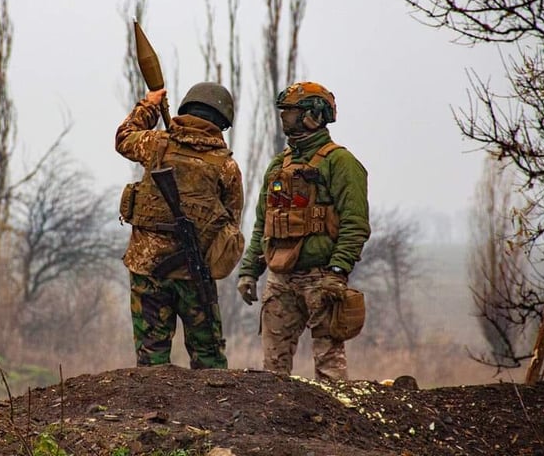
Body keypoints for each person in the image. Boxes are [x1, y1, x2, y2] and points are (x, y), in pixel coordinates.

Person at [236, 81, 370, 380]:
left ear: (313, 115)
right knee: (273, 371)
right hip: (280, 277)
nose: (284, 117)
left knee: (329, 369)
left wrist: (338, 270)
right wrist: (249, 271)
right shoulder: (277, 164)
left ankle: (336, 422)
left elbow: (355, 223)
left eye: (291, 111)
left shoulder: (341, 162)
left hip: (321, 277)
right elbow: (264, 223)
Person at [115, 82, 244, 369]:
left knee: (151, 357)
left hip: (147, 268)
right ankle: (211, 413)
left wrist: (148, 104)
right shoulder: (226, 167)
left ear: (186, 110)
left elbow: (124, 137)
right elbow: (231, 225)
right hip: (194, 273)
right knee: (209, 358)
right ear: (222, 123)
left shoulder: (156, 144)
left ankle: (151, 412)